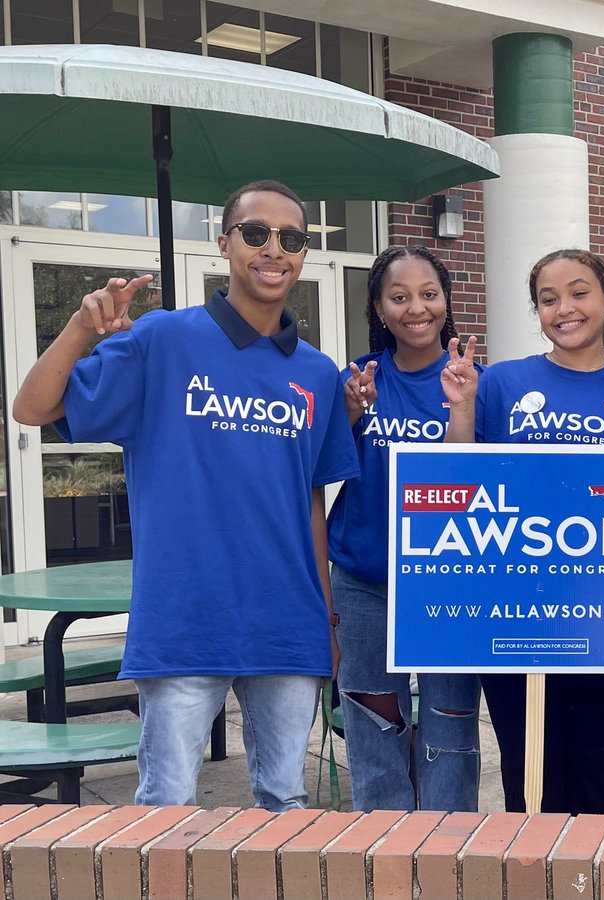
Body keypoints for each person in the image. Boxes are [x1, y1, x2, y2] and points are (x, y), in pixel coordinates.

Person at [12, 180, 358, 810]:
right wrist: (80, 330)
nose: (273, 249)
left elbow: (311, 502)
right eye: (255, 233)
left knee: (286, 803)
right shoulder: (161, 341)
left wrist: (325, 617)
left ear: (305, 253)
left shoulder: (317, 372)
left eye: (292, 238)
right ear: (224, 242)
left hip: (287, 617)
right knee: (165, 805)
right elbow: (31, 407)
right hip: (184, 615)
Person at [441, 247, 604, 815]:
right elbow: (459, 481)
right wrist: (461, 407)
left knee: (593, 761)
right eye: (548, 299)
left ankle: (591, 875)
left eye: (579, 293)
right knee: (527, 764)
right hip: (512, 608)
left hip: (603, 610)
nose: (564, 309)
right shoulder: (502, 383)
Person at [326, 245, 483, 812]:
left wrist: (460, 407)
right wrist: (347, 414)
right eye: (399, 297)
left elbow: (470, 486)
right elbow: (321, 469)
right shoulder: (357, 380)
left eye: (428, 293)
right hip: (364, 581)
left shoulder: (476, 381)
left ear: (446, 300)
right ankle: (384, 848)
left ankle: (450, 852)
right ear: (378, 307)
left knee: (450, 730)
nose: (417, 308)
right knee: (373, 725)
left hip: (449, 584)